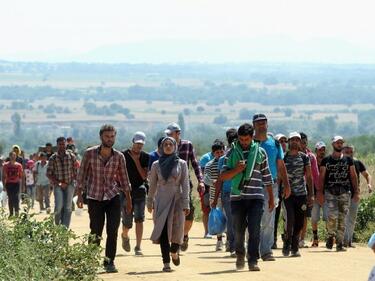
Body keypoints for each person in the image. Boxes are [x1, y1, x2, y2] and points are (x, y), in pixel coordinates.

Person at [76, 124, 132, 273]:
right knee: (96, 230)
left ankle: (109, 262)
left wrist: (128, 200)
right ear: (101, 137)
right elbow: (81, 175)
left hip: (113, 196)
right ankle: (90, 261)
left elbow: (124, 179)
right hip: (94, 197)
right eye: (107, 136)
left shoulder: (119, 156)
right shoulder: (89, 154)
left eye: (112, 136)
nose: (110, 139)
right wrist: (80, 195)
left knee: (112, 230)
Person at [221, 123, 275, 271]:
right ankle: (240, 255)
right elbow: (224, 176)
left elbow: (267, 176)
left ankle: (253, 260)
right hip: (237, 198)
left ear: (252, 138)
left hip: (256, 197)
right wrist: (237, 169)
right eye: (241, 139)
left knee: (254, 229)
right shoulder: (231, 153)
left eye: (246, 139)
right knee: (238, 229)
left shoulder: (260, 152)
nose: (244, 142)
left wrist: (271, 197)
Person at [147, 137, 190, 272]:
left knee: (178, 228)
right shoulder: (156, 165)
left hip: (177, 199)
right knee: (163, 231)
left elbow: (185, 184)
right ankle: (166, 262)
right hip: (161, 200)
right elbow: (152, 184)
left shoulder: (181, 164)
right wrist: (149, 201)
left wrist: (186, 202)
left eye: (170, 144)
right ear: (161, 147)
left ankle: (174, 252)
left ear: (175, 146)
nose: (168, 146)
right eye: (165, 144)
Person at [253, 113, 291, 261]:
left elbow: (281, 165)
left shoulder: (274, 144)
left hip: (272, 185)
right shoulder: (249, 143)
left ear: (267, 124)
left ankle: (266, 250)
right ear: (254, 125)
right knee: (253, 219)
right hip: (253, 186)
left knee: (269, 219)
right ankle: (253, 249)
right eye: (258, 123)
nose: (261, 125)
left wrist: (286, 185)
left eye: (264, 122)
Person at [165, 122, 205, 251]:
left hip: (185, 184)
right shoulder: (165, 146)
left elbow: (195, 163)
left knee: (188, 212)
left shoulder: (187, 145)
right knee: (172, 214)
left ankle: (184, 234)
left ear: (178, 134)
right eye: (167, 134)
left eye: (171, 134)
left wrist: (201, 181)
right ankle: (175, 241)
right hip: (169, 185)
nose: (168, 137)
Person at [317, 136, 359, 251]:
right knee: (332, 217)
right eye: (337, 143)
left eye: (341, 143)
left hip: (345, 192)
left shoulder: (348, 160)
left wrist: (356, 192)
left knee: (342, 218)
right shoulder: (326, 160)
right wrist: (319, 193)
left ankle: (339, 243)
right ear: (333, 144)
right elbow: (321, 177)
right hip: (330, 192)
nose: (339, 144)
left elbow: (353, 176)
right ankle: (331, 236)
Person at [282, 132, 313, 257]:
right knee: (290, 219)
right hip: (288, 194)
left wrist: (311, 195)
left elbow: (309, 177)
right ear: (289, 142)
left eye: (297, 140)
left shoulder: (304, 157)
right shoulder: (283, 157)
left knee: (300, 222)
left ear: (300, 143)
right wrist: (280, 191)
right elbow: (280, 175)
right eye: (292, 139)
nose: (295, 142)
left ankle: (295, 246)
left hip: (301, 194)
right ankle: (287, 243)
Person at [121, 132, 150, 256]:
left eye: (141, 144)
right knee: (127, 220)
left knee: (139, 218)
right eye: (137, 143)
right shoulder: (122, 155)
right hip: (125, 190)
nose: (139, 146)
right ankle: (125, 235)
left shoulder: (145, 157)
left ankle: (138, 246)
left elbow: (144, 176)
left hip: (139, 189)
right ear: (133, 141)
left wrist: (136, 161)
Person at [212, 128, 238, 256]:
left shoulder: (224, 158)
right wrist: (216, 198)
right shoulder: (224, 159)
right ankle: (233, 245)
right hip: (230, 193)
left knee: (233, 221)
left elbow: (219, 182)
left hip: (231, 193)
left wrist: (216, 198)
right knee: (233, 221)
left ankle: (233, 244)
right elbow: (219, 180)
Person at [343, 145, 372, 247]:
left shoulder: (357, 162)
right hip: (342, 193)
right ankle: (343, 240)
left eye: (351, 152)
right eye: (347, 152)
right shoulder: (339, 163)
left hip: (355, 193)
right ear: (343, 152)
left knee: (352, 217)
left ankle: (348, 241)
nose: (349, 154)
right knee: (344, 217)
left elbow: (367, 175)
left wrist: (369, 184)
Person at [47, 137, 77, 228]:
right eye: (60, 144)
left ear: (66, 145)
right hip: (58, 185)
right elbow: (49, 174)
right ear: (57, 145)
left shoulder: (71, 156)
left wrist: (72, 182)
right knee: (59, 206)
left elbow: (75, 171)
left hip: (70, 184)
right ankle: (57, 226)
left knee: (68, 207)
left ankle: (64, 229)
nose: (62, 146)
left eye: (63, 144)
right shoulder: (53, 158)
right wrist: (59, 183)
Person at [298, 132, 320, 248]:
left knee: (304, 214)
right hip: (294, 187)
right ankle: (292, 238)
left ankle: (301, 239)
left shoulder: (311, 157)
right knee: (292, 214)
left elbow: (315, 175)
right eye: (301, 142)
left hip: (307, 187)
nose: (303, 145)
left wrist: (317, 192)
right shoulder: (290, 156)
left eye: (305, 143)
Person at [204, 140, 225, 250]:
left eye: (221, 151)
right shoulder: (209, 164)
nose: (220, 154)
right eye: (217, 152)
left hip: (227, 194)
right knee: (218, 218)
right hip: (214, 196)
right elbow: (205, 178)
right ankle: (219, 240)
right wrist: (213, 181)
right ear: (213, 153)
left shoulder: (228, 162)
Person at [311, 141, 328, 247]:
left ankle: (330, 237)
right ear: (316, 151)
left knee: (328, 216)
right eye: (320, 150)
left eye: (323, 150)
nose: (322, 152)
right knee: (314, 217)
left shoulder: (328, 162)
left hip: (326, 194)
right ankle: (315, 238)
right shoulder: (312, 162)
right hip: (314, 193)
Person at [200, 140, 217, 238]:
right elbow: (203, 174)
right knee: (206, 210)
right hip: (207, 188)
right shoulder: (206, 158)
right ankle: (207, 231)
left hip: (217, 189)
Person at [273, 133, 287, 249]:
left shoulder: (288, 156)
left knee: (287, 216)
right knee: (274, 216)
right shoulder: (273, 156)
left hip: (286, 190)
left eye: (284, 141)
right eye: (280, 141)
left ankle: (287, 237)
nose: (283, 144)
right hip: (275, 190)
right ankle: (273, 239)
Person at [2, 151, 23, 217]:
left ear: (16, 157)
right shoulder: (5, 165)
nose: (13, 157)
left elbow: (21, 175)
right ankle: (11, 213)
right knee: (10, 198)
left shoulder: (19, 165)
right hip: (8, 183)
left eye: (14, 156)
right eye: (12, 156)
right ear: (9, 156)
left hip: (16, 183)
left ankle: (17, 213)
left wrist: (22, 185)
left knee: (16, 198)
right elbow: (3, 176)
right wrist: (4, 186)